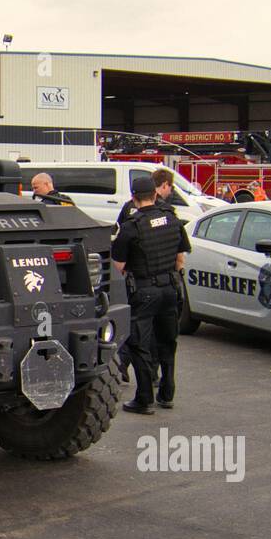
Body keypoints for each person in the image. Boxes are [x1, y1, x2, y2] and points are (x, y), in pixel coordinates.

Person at [111, 175, 190, 414]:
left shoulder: (131, 227)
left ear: (134, 199)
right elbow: (180, 258)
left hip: (144, 291)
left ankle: (144, 398)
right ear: (155, 195)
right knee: (168, 342)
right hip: (169, 289)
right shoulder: (173, 220)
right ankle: (167, 393)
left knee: (139, 344)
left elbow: (119, 265)